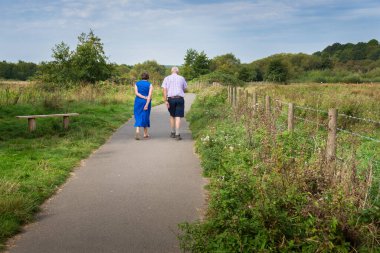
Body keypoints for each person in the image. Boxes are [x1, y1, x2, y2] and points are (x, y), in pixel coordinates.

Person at [161, 66, 187, 140]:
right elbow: (185, 88)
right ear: (177, 71)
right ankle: (177, 134)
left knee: (172, 116)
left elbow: (164, 90)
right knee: (178, 116)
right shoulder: (182, 78)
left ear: (171, 71)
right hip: (180, 99)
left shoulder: (167, 78)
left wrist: (165, 100)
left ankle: (172, 132)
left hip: (171, 99)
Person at [134, 72, 153, 140]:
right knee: (145, 116)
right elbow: (149, 95)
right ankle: (145, 134)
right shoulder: (150, 84)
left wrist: (143, 97)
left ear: (141, 77)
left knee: (138, 115)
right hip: (146, 101)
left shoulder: (137, 83)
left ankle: (137, 130)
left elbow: (136, 93)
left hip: (138, 101)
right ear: (148, 77)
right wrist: (147, 104)